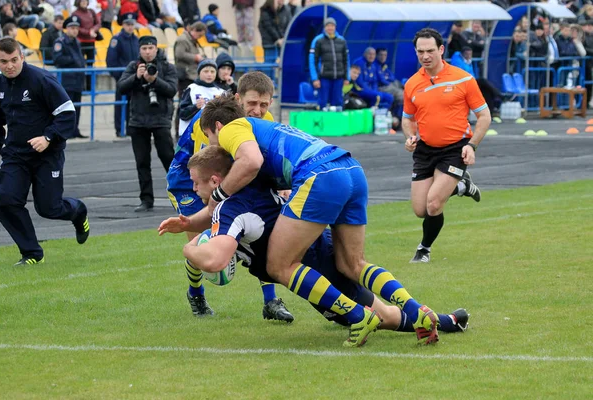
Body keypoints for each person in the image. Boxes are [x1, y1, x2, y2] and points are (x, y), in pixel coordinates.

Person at [198, 94, 444, 347]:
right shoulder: (263, 129)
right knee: (353, 264)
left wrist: (218, 195)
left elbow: (251, 161)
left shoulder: (233, 128)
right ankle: (416, 311)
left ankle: (358, 316)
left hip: (320, 175)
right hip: (350, 168)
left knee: (279, 266)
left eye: (210, 138)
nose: (214, 146)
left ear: (217, 126)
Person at [162, 144, 470, 336]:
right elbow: (234, 215)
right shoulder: (249, 185)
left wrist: (190, 247)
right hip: (316, 245)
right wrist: (190, 222)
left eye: (195, 182)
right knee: (362, 274)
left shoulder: (229, 208)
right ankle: (435, 319)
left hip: (312, 268)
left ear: (216, 181)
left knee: (381, 315)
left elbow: (216, 260)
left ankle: (440, 321)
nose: (192, 187)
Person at [165, 71, 293, 322]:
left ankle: (271, 302)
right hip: (191, 179)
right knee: (204, 240)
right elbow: (209, 168)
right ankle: (196, 293)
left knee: (265, 231)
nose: (257, 111)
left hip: (225, 176)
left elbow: (259, 161)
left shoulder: (263, 118)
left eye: (263, 105)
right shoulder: (215, 121)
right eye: (251, 104)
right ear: (238, 99)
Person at [0, 37, 89, 265]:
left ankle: (78, 211)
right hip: (16, 154)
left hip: (47, 154)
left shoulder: (41, 79)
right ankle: (32, 254)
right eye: (4, 61)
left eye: (14, 60)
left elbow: (67, 113)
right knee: (6, 203)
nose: (10, 66)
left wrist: (48, 137)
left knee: (49, 208)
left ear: (22, 57)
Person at [402, 28, 489, 264]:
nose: (425, 56)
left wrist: (472, 146)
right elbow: (407, 119)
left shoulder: (463, 78)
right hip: (425, 150)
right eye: (420, 51)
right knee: (420, 209)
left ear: (441, 50)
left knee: (433, 203)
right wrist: (410, 137)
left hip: (455, 148)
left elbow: (484, 116)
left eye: (430, 50)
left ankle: (424, 249)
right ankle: (462, 187)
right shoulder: (412, 84)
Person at [117, 35, 177, 212]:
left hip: (160, 120)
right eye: (144, 49)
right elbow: (121, 87)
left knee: (169, 159)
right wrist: (137, 77)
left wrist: (154, 81)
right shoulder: (133, 66)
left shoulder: (166, 66)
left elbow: (172, 90)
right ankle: (146, 199)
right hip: (138, 121)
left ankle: (180, 196)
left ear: (156, 49)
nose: (148, 52)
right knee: (142, 162)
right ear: (139, 50)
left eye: (150, 48)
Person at [52, 15, 87, 139]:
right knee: (68, 108)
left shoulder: (76, 42)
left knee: (77, 107)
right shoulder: (60, 42)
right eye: (72, 28)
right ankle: (68, 132)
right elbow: (57, 58)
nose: (75, 30)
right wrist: (73, 60)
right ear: (66, 28)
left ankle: (75, 130)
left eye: (76, 28)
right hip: (67, 80)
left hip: (78, 80)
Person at [106, 13, 139, 137]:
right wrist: (119, 77)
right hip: (123, 78)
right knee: (120, 104)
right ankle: (119, 129)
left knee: (133, 105)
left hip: (135, 79)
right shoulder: (117, 39)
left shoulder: (135, 39)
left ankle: (131, 128)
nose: (130, 27)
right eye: (127, 24)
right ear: (123, 25)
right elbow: (111, 61)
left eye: (132, 24)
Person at [308, 17, 349, 110]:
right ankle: (323, 122)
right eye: (328, 26)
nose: (330, 28)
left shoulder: (341, 41)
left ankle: (337, 122)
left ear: (335, 27)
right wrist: (315, 78)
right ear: (324, 27)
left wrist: (347, 77)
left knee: (338, 102)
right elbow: (312, 61)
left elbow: (346, 60)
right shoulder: (318, 41)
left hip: (339, 77)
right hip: (324, 77)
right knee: (323, 102)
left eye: (332, 26)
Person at [178, 58, 222, 136]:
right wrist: (195, 107)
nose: (209, 74)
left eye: (212, 71)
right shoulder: (192, 89)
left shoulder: (220, 92)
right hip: (191, 135)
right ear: (199, 73)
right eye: (206, 71)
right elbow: (182, 113)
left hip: (212, 135)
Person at [174, 20, 206, 96]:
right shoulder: (183, 39)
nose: (199, 38)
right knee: (184, 98)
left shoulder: (190, 40)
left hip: (191, 74)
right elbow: (179, 54)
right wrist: (195, 57)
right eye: (199, 35)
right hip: (185, 75)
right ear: (194, 30)